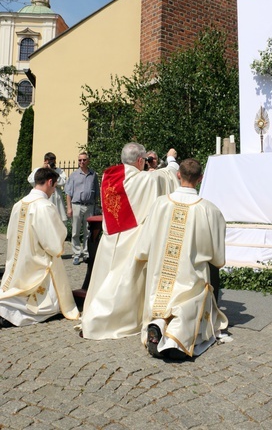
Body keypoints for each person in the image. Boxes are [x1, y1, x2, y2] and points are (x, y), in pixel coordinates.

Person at [81, 142, 179, 340]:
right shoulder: (143, 180)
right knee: (120, 283)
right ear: (141, 161)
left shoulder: (109, 176)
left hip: (111, 237)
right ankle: (102, 320)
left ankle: (93, 312)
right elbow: (166, 177)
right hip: (130, 238)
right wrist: (171, 160)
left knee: (106, 278)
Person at [135, 158, 228, 360]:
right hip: (190, 274)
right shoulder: (209, 210)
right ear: (200, 178)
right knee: (188, 303)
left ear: (178, 175)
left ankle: (158, 325)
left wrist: (144, 254)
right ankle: (175, 338)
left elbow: (144, 245)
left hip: (161, 276)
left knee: (162, 302)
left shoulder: (159, 204)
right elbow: (218, 257)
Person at [0, 167, 80, 328]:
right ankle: (9, 314)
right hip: (38, 261)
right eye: (55, 186)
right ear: (50, 182)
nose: (53, 191)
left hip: (20, 259)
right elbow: (53, 242)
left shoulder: (19, 204)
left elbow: (10, 233)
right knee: (46, 306)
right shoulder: (44, 206)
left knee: (16, 286)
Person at [64, 152, 100, 265]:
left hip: (89, 206)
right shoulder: (74, 175)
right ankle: (76, 254)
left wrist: (97, 207)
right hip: (76, 205)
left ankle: (86, 253)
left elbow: (97, 193)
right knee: (75, 231)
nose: (82, 162)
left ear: (88, 161)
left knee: (87, 232)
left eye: (84, 160)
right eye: (80, 160)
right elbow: (68, 193)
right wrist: (69, 207)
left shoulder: (93, 175)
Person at [28, 152, 67, 223]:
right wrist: (42, 170)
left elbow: (63, 182)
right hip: (43, 198)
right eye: (50, 160)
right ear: (45, 161)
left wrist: (52, 172)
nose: (53, 162)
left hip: (56, 198)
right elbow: (31, 180)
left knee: (57, 220)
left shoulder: (59, 171)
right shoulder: (38, 170)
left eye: (54, 160)